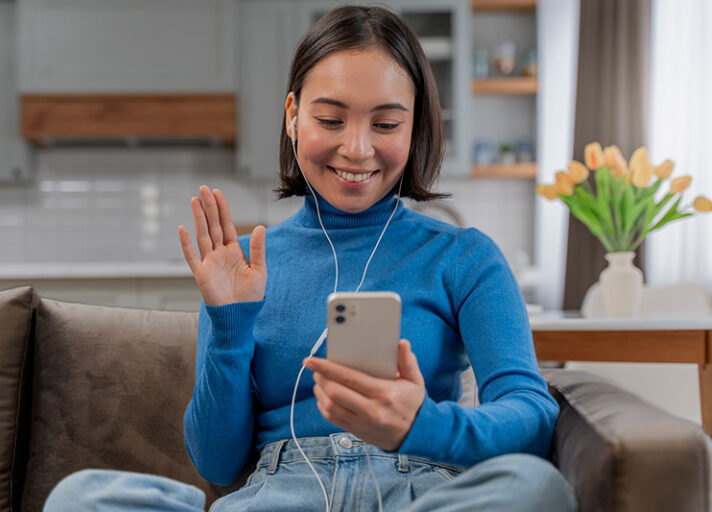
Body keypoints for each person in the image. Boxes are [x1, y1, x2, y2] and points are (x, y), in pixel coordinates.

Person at [45, 6, 577, 511]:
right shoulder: (246, 265)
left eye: (386, 125)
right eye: (331, 119)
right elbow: (217, 462)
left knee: (535, 488)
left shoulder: (464, 256)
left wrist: (422, 426)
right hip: (284, 490)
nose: (358, 148)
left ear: (414, 129)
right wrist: (230, 325)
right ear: (294, 116)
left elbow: (530, 416)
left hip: (418, 490)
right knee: (81, 497)